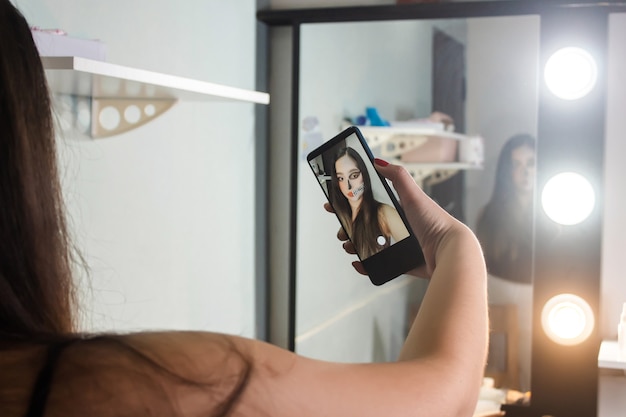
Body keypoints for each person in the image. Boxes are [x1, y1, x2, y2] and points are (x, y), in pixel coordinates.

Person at [0, 2, 488, 416]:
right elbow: (444, 397)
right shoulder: (111, 384)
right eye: (342, 178)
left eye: (353, 175)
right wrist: (454, 243)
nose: (349, 182)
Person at [475, 134, 536, 284]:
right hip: (500, 301)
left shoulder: (555, 217)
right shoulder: (488, 217)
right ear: (507, 171)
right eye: (516, 164)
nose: (525, 171)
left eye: (531, 163)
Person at [330, 146, 409, 259]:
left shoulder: (383, 213)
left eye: (354, 175)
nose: (348, 186)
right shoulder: (343, 217)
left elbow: (412, 252)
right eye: (341, 178)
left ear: (364, 175)